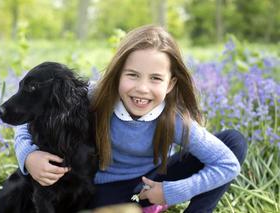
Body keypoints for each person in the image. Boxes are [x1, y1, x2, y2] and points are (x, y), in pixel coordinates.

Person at [14, 25, 247, 213]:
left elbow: (227, 164)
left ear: (170, 84)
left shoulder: (173, 118)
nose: (142, 88)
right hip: (100, 191)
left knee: (234, 141)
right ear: (117, 75)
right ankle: (141, 207)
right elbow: (29, 117)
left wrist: (172, 191)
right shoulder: (96, 97)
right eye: (133, 75)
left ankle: (158, 204)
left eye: (156, 78)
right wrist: (29, 157)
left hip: (150, 183)